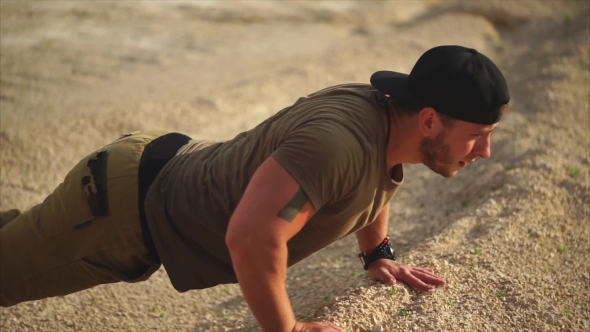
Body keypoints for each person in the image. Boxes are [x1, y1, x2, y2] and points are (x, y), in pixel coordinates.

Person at [0, 45, 509, 332]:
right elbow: (250, 236)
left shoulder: (385, 119)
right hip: (124, 210)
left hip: (160, 166)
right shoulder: (338, 145)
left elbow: (377, 181)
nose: (484, 152)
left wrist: (377, 252)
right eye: (477, 136)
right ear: (427, 120)